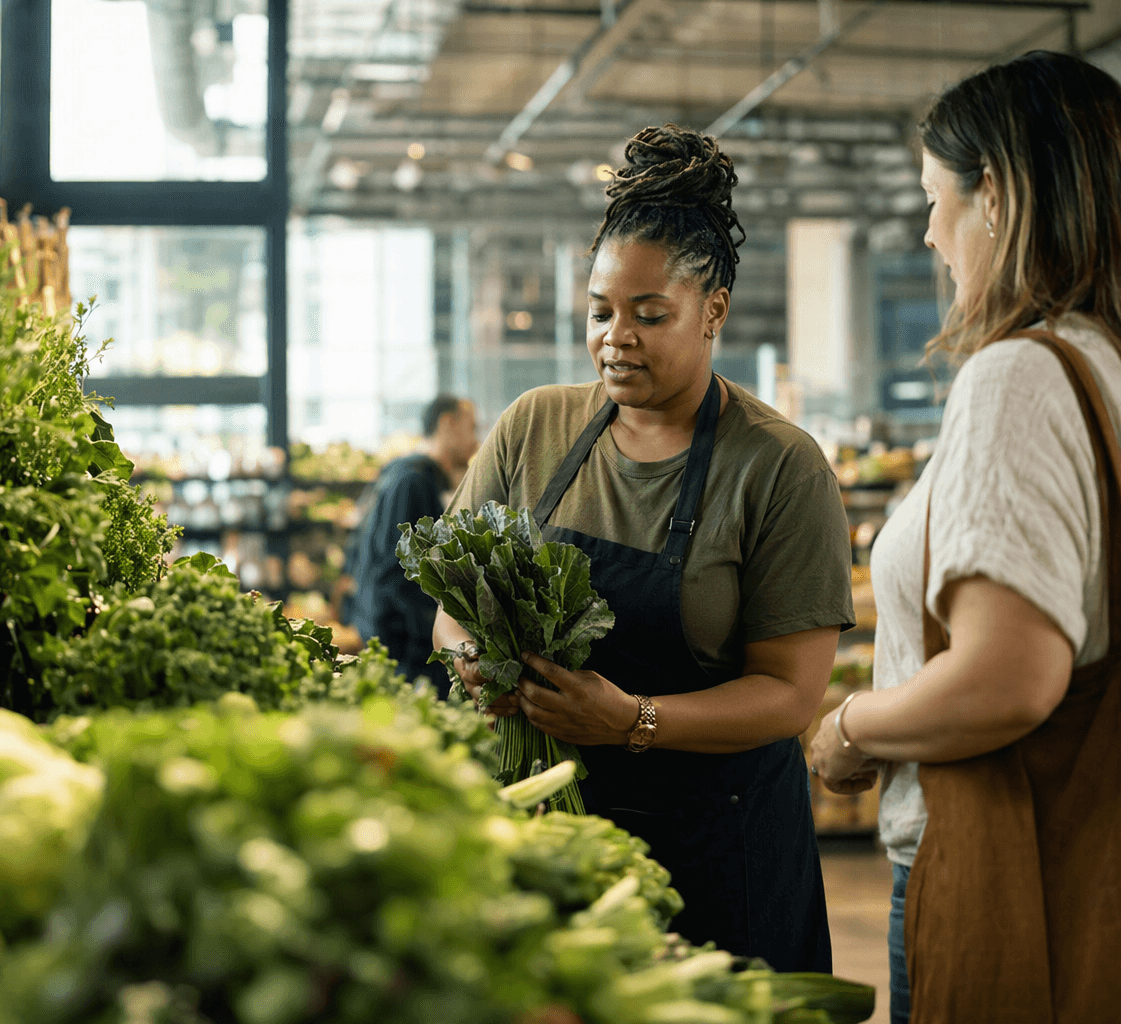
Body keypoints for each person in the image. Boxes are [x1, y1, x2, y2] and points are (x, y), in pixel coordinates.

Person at [807, 51, 1121, 1023]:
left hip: (1025, 889)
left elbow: (1006, 679)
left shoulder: (1022, 377)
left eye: (937, 199)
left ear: (997, 196)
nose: (932, 233)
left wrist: (850, 727)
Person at [435, 124, 855, 972]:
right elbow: (448, 603)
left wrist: (633, 720)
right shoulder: (534, 428)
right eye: (600, 312)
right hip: (559, 843)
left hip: (720, 853)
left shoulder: (778, 466)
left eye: (649, 314)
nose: (614, 338)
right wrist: (474, 654)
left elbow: (788, 695)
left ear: (715, 312)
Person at [350, 394, 478, 695]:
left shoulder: (401, 472)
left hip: (390, 634)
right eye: (473, 428)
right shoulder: (414, 481)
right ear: (447, 424)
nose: (477, 441)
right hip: (405, 648)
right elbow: (399, 570)